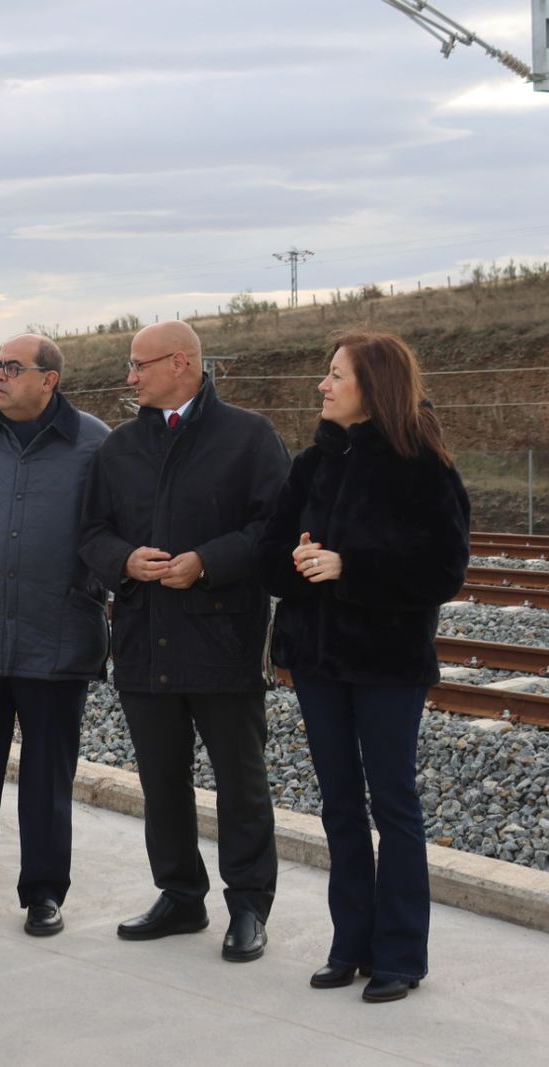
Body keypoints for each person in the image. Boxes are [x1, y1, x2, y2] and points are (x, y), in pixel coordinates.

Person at [258, 332, 468, 1003]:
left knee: (393, 804)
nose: (322, 385)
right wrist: (296, 560)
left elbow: (443, 568)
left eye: (335, 375)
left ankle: (400, 953)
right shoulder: (311, 463)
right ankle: (350, 942)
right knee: (340, 805)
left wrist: (351, 566)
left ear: (371, 389)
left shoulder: (422, 464)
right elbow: (269, 554)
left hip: (386, 665)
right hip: (318, 663)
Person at [79, 320, 290, 963]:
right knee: (161, 781)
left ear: (181, 363)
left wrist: (208, 559)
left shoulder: (249, 437)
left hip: (222, 638)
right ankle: (179, 895)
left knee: (241, 783)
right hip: (145, 641)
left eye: (140, 365)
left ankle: (249, 906)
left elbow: (276, 530)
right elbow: (89, 533)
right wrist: (123, 560)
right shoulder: (118, 448)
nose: (130, 377)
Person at [0, 334, 109, 938]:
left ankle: (43, 895)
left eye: (12, 367)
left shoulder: (93, 441)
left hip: (55, 634)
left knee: (47, 779)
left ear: (48, 380)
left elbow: (104, 532)